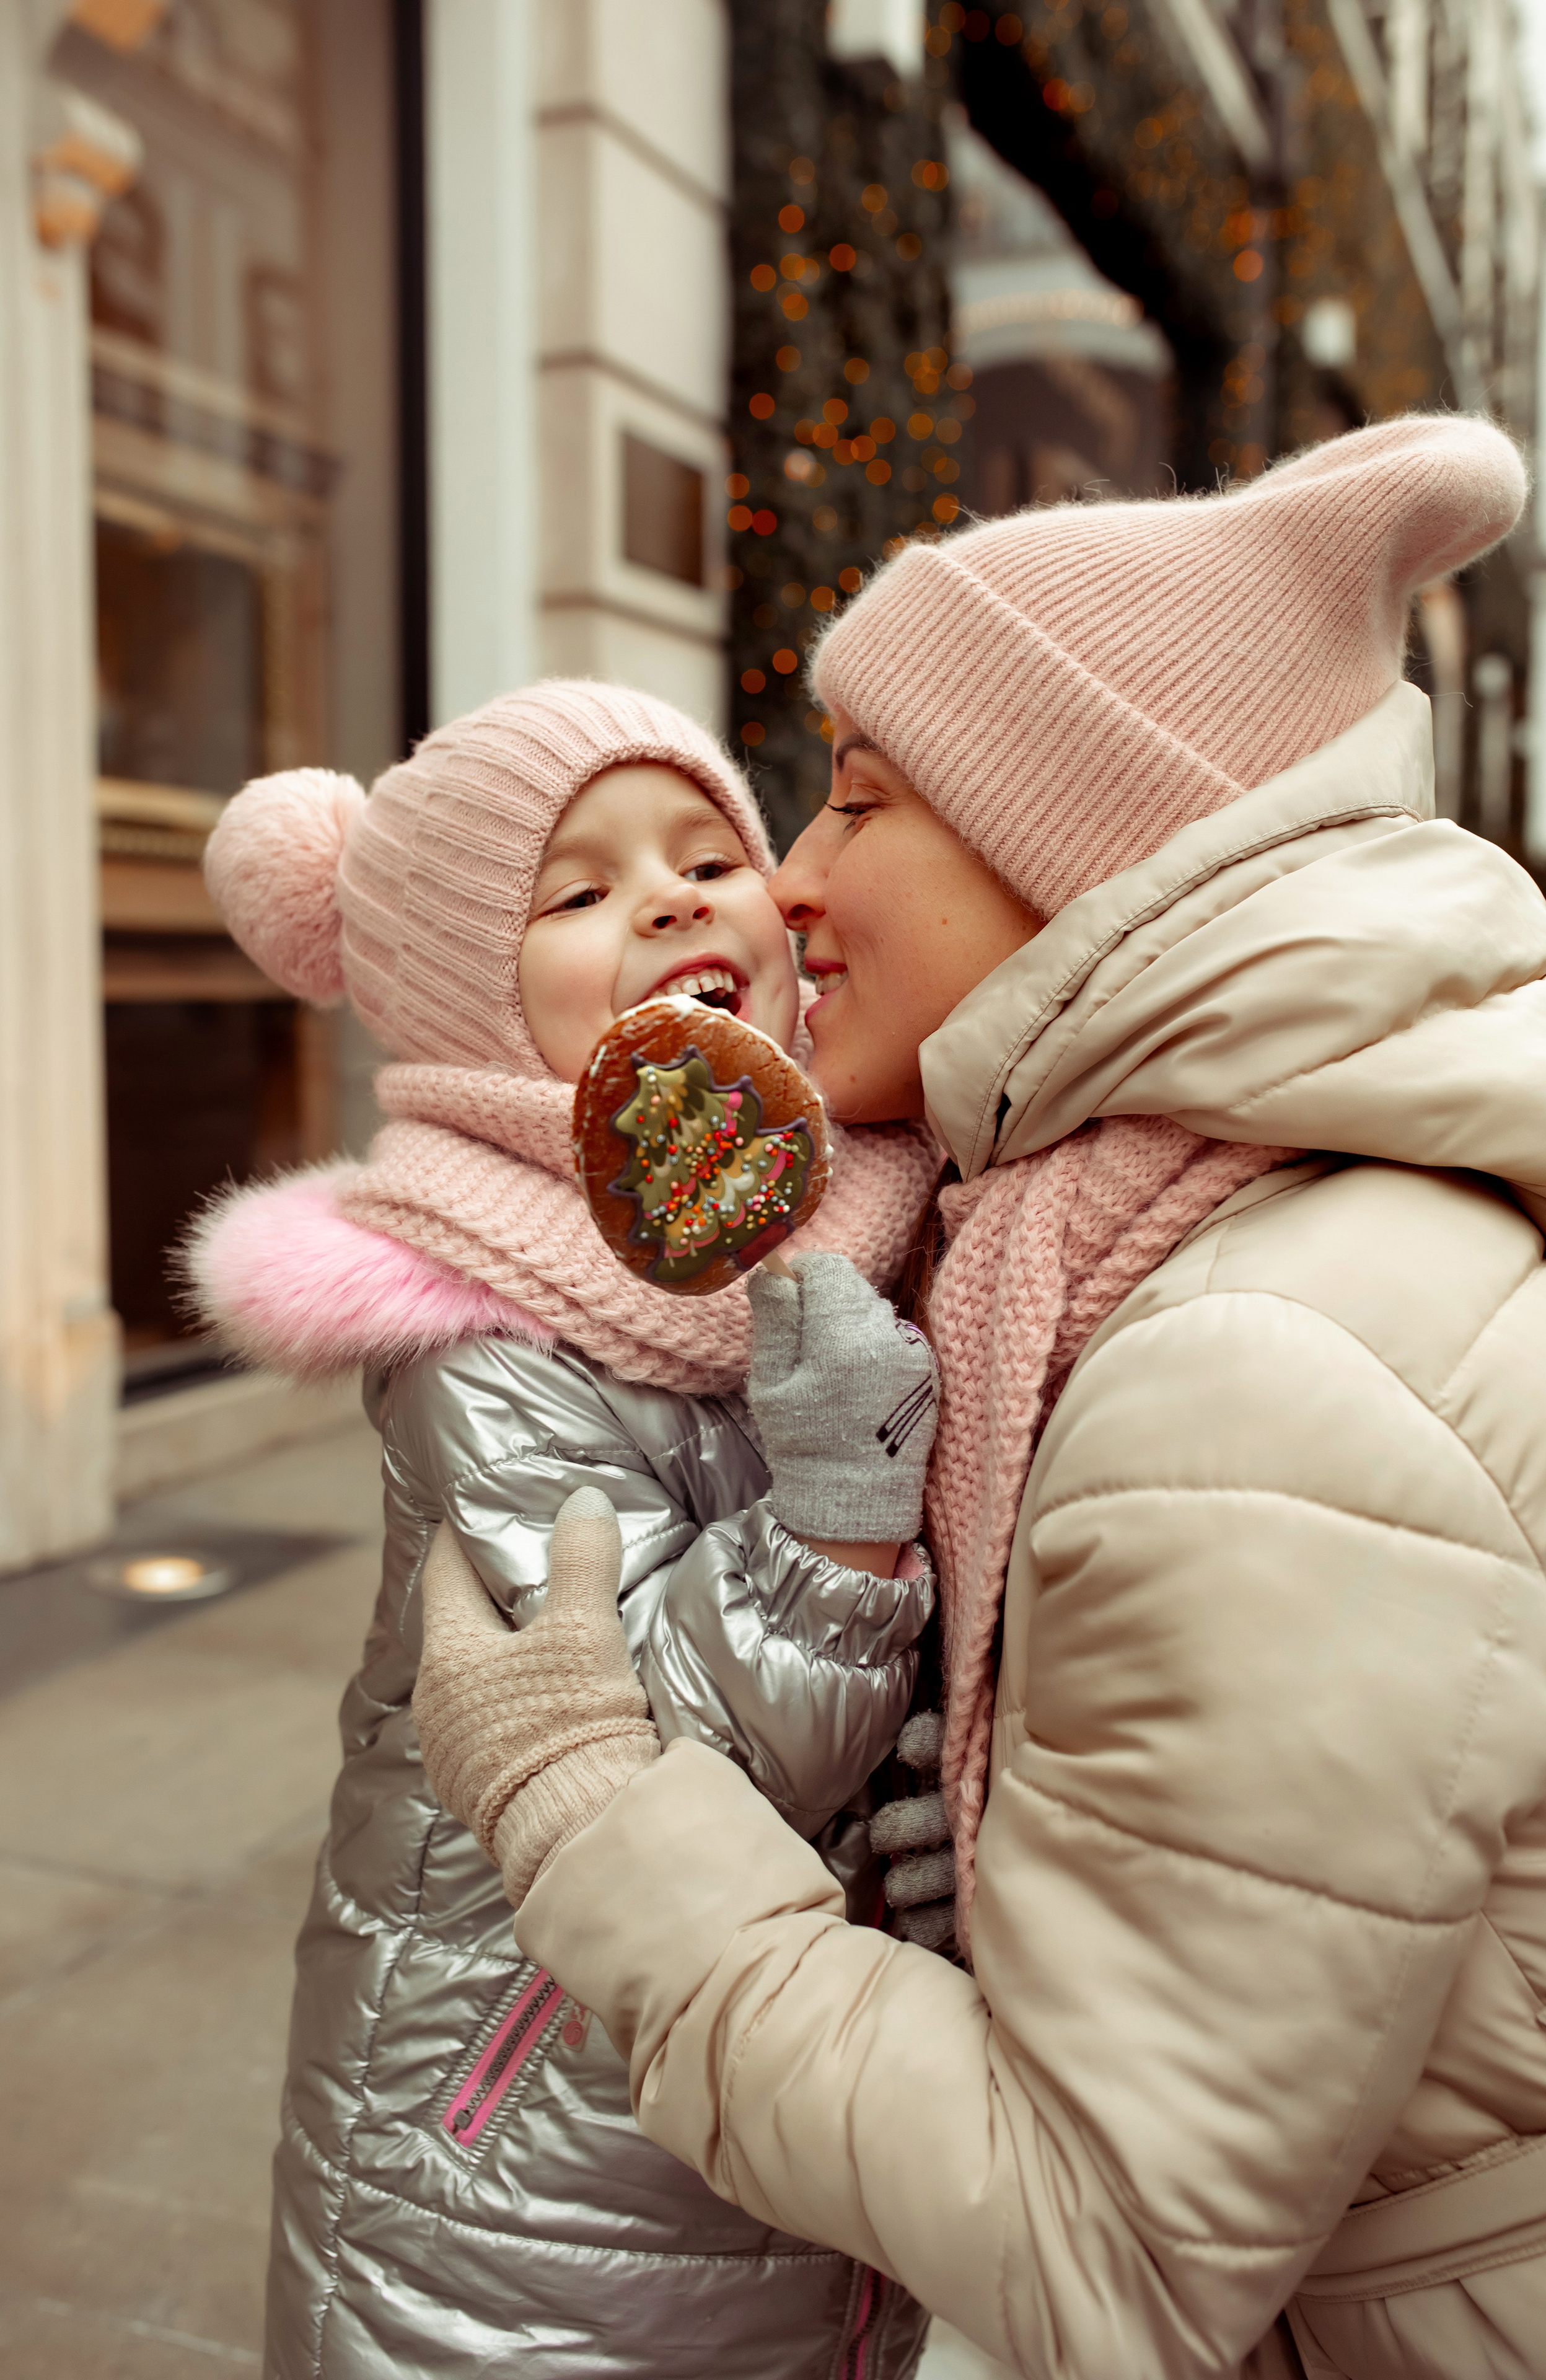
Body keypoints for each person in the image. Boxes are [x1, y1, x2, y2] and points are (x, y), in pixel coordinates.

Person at [411, 418, 1546, 2380]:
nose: (786, 879)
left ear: (1084, 840)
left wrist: (579, 1800)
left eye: (860, 800)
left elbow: (1101, 2252)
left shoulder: (1259, 1372)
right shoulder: (1123, 1240)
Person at [187, 681, 944, 2379]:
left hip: (783, 2087)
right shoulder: (488, 1334)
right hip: (520, 2128)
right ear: (471, 1002)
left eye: (708, 859)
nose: (670, 901)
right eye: (580, 892)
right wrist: (836, 1519)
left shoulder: (874, 1193)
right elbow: (637, 1754)